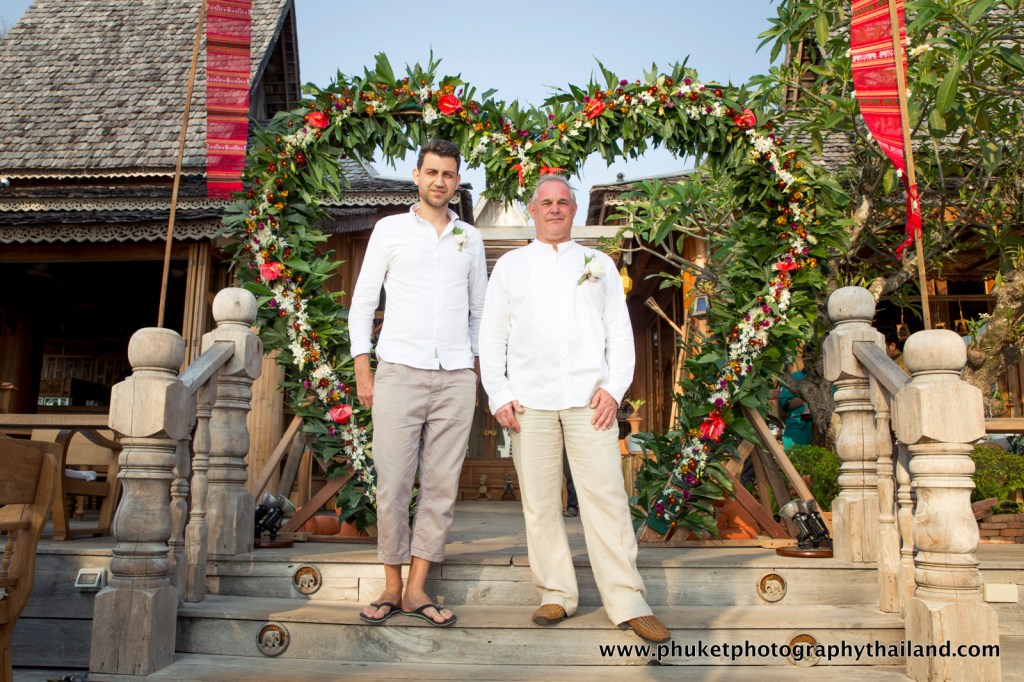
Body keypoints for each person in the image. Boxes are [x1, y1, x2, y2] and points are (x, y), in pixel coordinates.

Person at [479, 174, 670, 644]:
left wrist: (614, 387)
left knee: (605, 498)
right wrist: (498, 394)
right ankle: (555, 593)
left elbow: (618, 333)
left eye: (563, 201)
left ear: (575, 209)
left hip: (591, 402)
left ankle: (628, 601)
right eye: (546, 202)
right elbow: (492, 334)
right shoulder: (510, 267)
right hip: (530, 401)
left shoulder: (598, 264)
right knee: (541, 504)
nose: (555, 209)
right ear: (532, 209)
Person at [349, 139, 487, 627]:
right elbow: (363, 302)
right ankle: (390, 583)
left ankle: (416, 588)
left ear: (456, 181)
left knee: (442, 486)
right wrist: (364, 369)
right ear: (416, 175)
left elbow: (478, 313)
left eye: (448, 174)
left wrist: (472, 370)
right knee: (393, 483)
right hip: (398, 370)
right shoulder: (389, 231)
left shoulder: (470, 239)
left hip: (453, 376)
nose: (439, 181)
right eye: (432, 172)